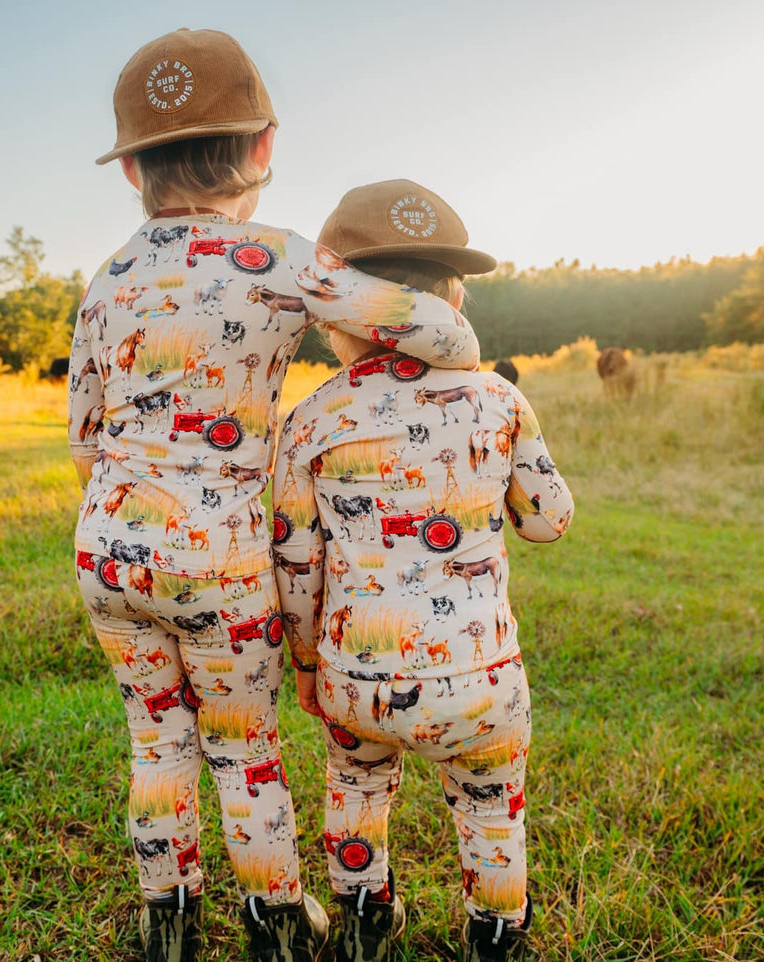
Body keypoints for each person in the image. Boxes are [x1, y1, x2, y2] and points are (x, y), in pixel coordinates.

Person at [68, 31, 484, 962]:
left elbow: (84, 439)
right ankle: (275, 924)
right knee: (240, 747)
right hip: (216, 558)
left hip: (106, 549)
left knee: (155, 741)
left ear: (131, 166)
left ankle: (165, 921)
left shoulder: (105, 283)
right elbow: (443, 332)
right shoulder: (280, 260)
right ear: (263, 148)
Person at [272, 179, 574, 962]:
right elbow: (549, 520)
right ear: (453, 300)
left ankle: (365, 923)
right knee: (490, 809)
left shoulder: (312, 418)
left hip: (356, 674)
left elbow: (295, 561)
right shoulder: (498, 400)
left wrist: (308, 664)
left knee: (357, 790)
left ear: (342, 318)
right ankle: (494, 935)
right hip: (481, 676)